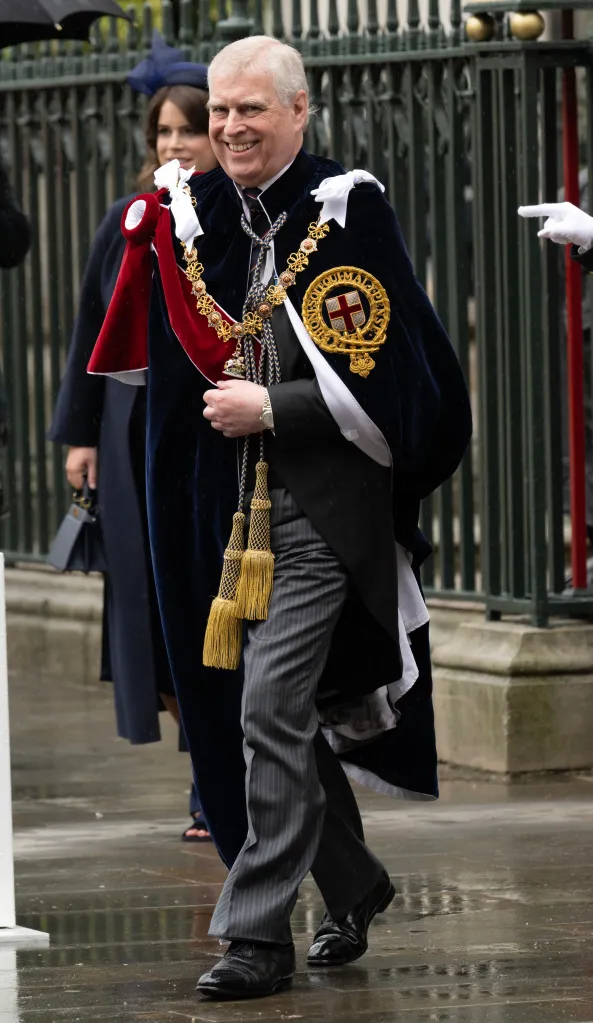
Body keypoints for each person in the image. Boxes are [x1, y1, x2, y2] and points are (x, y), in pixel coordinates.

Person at [89, 36, 472, 999]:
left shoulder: (348, 208)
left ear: (299, 111)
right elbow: (163, 380)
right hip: (219, 517)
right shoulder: (192, 214)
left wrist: (279, 407)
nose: (228, 128)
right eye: (218, 112)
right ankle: (355, 879)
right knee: (258, 717)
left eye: (249, 110)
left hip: (313, 514)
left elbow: (396, 375)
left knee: (268, 704)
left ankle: (254, 935)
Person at [49, 31, 218, 843]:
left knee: (206, 597)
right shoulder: (126, 218)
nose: (176, 144)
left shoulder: (232, 217)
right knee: (147, 604)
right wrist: (78, 435)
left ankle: (211, 781)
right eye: (165, 131)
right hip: (125, 434)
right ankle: (205, 762)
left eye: (190, 129)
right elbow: (90, 327)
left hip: (208, 430)